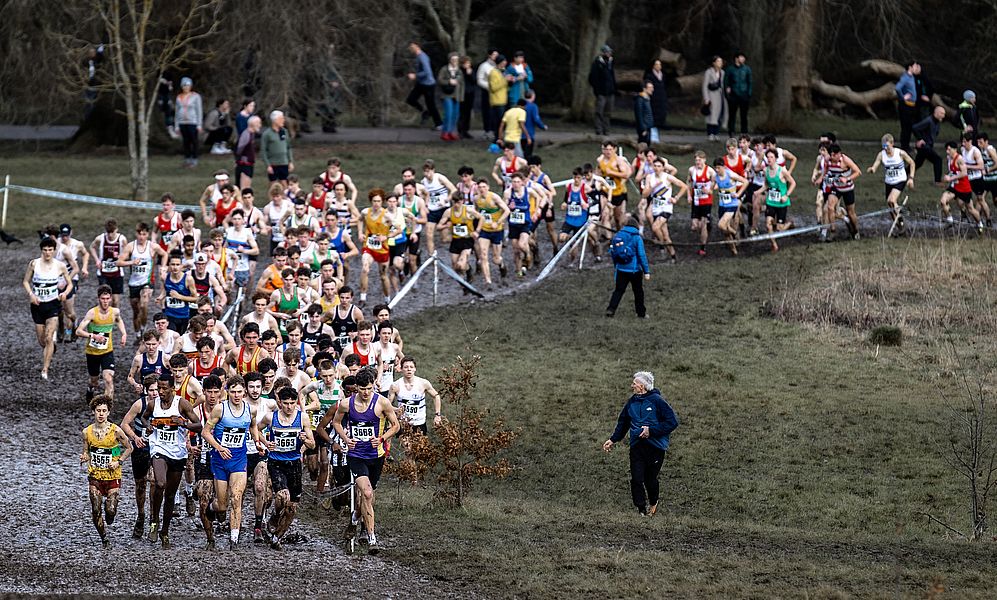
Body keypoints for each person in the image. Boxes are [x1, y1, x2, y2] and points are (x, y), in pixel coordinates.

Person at [332, 368, 400, 553]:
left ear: (373, 386)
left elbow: (396, 426)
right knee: (367, 493)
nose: (366, 392)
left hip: (376, 456)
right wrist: (346, 440)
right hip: (356, 456)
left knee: (369, 496)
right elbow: (336, 422)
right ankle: (372, 539)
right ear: (357, 388)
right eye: (362, 389)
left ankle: (354, 519)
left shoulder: (382, 403)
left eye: (369, 388)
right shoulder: (347, 404)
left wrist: (382, 438)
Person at [602, 371, 678, 517]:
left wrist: (652, 431)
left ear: (642, 386)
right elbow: (623, 422)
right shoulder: (632, 402)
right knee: (637, 478)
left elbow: (672, 422)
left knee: (650, 479)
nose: (632, 386)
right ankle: (641, 510)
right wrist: (613, 439)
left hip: (655, 447)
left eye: (634, 383)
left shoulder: (657, 401)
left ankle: (653, 502)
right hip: (637, 446)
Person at [202, 375, 265, 549]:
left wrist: (257, 442)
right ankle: (212, 508)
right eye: (233, 392)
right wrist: (219, 447)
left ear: (244, 391)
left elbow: (253, 426)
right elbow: (205, 432)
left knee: (236, 498)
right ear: (227, 392)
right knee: (222, 506)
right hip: (220, 461)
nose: (236, 395)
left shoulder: (250, 409)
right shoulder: (220, 410)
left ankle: (234, 540)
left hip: (239, 460)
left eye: (239, 391)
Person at [142, 372, 203, 548]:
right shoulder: (153, 405)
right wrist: (148, 427)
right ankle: (154, 521)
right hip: (159, 448)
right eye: (158, 388)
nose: (160, 391)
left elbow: (199, 426)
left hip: (177, 453)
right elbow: (144, 417)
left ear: (172, 388)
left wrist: (183, 423)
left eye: (164, 388)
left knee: (170, 494)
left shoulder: (182, 404)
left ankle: (165, 531)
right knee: (160, 483)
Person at [258, 386, 314, 549]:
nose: (289, 407)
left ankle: (277, 537)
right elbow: (255, 428)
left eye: (292, 403)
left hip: (295, 464)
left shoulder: (302, 418)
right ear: (279, 402)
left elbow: (312, 443)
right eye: (286, 403)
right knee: (283, 496)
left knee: (292, 507)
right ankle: (275, 516)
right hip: (276, 462)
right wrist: (265, 443)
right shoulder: (270, 417)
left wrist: (306, 440)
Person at [81, 394, 132, 548]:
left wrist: (119, 461)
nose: (101, 414)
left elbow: (130, 448)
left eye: (104, 410)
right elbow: (86, 452)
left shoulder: (116, 431)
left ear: (109, 412)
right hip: (95, 475)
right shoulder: (87, 432)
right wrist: (84, 457)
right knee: (96, 509)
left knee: (110, 511)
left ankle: (109, 516)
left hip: (112, 476)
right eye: (98, 410)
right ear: (93, 412)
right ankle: (104, 539)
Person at [24, 237, 74, 380]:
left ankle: (45, 369)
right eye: (45, 250)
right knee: (42, 341)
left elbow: (69, 284)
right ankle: (51, 347)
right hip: (37, 305)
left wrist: (64, 293)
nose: (47, 253)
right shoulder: (34, 264)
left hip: (53, 304)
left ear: (54, 250)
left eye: (50, 250)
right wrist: (31, 294)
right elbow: (25, 281)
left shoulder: (60, 266)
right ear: (41, 250)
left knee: (48, 336)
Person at [77, 284, 127, 400]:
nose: (105, 301)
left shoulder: (115, 312)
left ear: (110, 299)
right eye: (103, 299)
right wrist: (93, 336)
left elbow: (119, 320)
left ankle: (106, 407)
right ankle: (90, 388)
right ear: (98, 299)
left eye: (107, 299)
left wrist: (124, 334)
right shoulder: (92, 313)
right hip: (92, 352)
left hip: (107, 351)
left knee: (108, 378)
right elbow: (78, 331)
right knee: (94, 380)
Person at [867, 133, 916, 233]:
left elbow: (912, 163)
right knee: (889, 205)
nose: (886, 149)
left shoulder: (900, 153)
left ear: (892, 144)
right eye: (884, 146)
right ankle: (900, 227)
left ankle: (901, 218)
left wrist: (911, 178)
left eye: (887, 146)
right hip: (889, 182)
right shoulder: (881, 154)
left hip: (900, 180)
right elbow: (876, 164)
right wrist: (872, 169)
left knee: (892, 200)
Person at [605, 216, 649, 319]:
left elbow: (613, 252)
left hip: (621, 269)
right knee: (638, 292)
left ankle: (611, 309)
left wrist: (616, 266)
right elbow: (642, 255)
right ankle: (641, 313)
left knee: (618, 291)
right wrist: (646, 271)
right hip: (635, 270)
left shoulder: (618, 235)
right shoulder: (637, 237)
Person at [388, 357, 441, 436]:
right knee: (407, 447)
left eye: (411, 367)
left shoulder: (423, 383)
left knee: (421, 447)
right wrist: (394, 413)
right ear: (401, 369)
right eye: (406, 367)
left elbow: (436, 396)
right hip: (404, 424)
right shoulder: (395, 385)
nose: (409, 369)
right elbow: (387, 405)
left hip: (419, 423)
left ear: (415, 369)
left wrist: (437, 415)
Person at [56, 223, 88, 342]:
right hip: (56, 280)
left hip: (71, 278)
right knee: (59, 309)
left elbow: (85, 254)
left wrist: (84, 267)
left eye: (67, 235)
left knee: (69, 310)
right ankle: (61, 328)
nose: (65, 238)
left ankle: (71, 329)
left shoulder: (77, 244)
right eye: (63, 235)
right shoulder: (55, 244)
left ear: (71, 233)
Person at [761, 148, 797, 252]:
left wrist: (786, 195)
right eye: (767, 157)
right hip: (771, 202)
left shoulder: (782, 171)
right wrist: (758, 192)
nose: (769, 159)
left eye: (771, 157)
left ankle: (789, 223)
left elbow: (793, 183)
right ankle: (774, 245)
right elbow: (766, 184)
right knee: (768, 224)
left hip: (782, 203)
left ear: (776, 158)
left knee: (779, 229)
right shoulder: (766, 170)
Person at [90, 218, 126, 308]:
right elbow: (92, 247)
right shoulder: (100, 238)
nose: (110, 235)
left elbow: (127, 253)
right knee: (104, 299)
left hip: (117, 273)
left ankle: (114, 320)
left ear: (116, 230)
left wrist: (121, 258)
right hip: (103, 273)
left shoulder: (122, 239)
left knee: (115, 301)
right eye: (108, 232)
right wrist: (97, 260)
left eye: (112, 232)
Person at [405, 42, 442, 128]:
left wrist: (415, 75)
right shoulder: (418, 57)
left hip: (428, 84)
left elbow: (427, 72)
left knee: (431, 104)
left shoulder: (422, 57)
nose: (410, 48)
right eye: (410, 47)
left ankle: (439, 124)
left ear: (417, 46)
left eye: (412, 46)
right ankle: (425, 112)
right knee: (411, 99)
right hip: (421, 83)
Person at [912, 105, 946, 184]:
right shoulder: (928, 121)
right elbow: (915, 128)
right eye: (942, 113)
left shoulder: (937, 122)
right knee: (938, 160)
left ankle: (901, 174)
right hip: (924, 147)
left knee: (917, 164)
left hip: (928, 146)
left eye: (944, 114)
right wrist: (920, 139)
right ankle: (937, 181)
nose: (943, 116)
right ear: (936, 113)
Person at [588, 44, 616, 136]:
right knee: (599, 111)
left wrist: (613, 88)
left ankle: (606, 129)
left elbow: (612, 76)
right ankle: (598, 129)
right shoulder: (597, 63)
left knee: (608, 112)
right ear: (603, 53)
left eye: (610, 52)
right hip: (601, 92)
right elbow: (592, 78)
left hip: (610, 92)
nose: (609, 53)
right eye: (608, 52)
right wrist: (597, 90)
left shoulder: (611, 62)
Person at [175, 77, 203, 168]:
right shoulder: (179, 97)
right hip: (182, 123)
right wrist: (176, 125)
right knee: (185, 142)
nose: (186, 87)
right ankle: (187, 159)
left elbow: (199, 110)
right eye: (184, 85)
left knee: (194, 141)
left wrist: (199, 124)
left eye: (187, 85)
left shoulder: (195, 96)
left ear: (190, 86)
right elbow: (176, 112)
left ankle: (194, 160)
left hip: (193, 122)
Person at [261, 110, 294, 186]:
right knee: (273, 184)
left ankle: (285, 197)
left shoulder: (284, 131)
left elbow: (288, 147)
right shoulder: (267, 134)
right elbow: (263, 151)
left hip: (284, 162)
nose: (283, 120)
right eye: (281, 119)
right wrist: (268, 165)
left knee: (285, 183)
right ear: (275, 120)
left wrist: (290, 161)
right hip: (273, 163)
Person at [438, 52, 463, 141]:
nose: (455, 61)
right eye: (453, 59)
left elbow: (461, 84)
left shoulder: (459, 70)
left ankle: (451, 132)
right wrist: (449, 81)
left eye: (456, 60)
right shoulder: (445, 69)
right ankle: (445, 132)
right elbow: (440, 80)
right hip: (447, 94)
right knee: (448, 114)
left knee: (455, 115)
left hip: (456, 95)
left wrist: (461, 96)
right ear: (450, 60)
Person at [724, 52, 752, 135]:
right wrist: (727, 91)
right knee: (732, 114)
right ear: (736, 58)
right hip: (733, 95)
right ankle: (731, 131)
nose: (743, 59)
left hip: (744, 94)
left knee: (744, 115)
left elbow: (749, 82)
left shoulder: (747, 69)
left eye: (743, 57)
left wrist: (749, 93)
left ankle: (744, 132)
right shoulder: (730, 69)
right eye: (741, 57)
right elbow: (726, 81)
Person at [895, 61, 919, 151]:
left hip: (912, 105)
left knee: (910, 126)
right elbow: (897, 88)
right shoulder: (905, 77)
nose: (916, 68)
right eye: (915, 66)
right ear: (910, 67)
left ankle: (907, 145)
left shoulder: (912, 77)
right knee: (905, 126)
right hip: (906, 106)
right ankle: (904, 146)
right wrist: (902, 97)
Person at [702, 56, 726, 141]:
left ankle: (716, 133)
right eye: (718, 61)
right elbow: (705, 86)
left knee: (718, 115)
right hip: (711, 95)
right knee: (711, 115)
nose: (720, 63)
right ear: (714, 63)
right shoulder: (709, 72)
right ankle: (710, 133)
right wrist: (706, 98)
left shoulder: (722, 73)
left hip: (719, 96)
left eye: (721, 62)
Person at [488, 55, 511, 142]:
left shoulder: (504, 72)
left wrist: (510, 81)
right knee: (498, 121)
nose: (504, 65)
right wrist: (505, 80)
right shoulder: (493, 73)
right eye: (502, 64)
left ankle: (500, 137)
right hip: (497, 101)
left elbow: (505, 87)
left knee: (503, 121)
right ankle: (497, 138)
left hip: (504, 100)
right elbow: (494, 87)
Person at [476, 49, 499, 137]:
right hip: (487, 91)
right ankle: (487, 130)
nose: (496, 57)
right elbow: (480, 80)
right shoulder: (483, 66)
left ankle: (495, 129)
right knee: (487, 111)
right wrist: (489, 86)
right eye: (494, 55)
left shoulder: (498, 65)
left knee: (496, 111)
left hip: (498, 92)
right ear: (489, 55)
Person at [643, 59, 668, 138]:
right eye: (657, 64)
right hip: (653, 97)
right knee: (653, 112)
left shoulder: (662, 75)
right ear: (653, 66)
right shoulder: (649, 75)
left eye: (659, 65)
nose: (658, 66)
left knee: (661, 111)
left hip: (661, 96)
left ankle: (660, 124)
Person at [235, 115, 262, 190]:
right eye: (259, 123)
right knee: (244, 188)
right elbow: (239, 149)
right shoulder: (246, 134)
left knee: (248, 187)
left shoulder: (252, 134)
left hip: (249, 163)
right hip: (244, 164)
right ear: (253, 124)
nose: (260, 125)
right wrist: (239, 160)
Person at [522, 91, 548, 158]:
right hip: (529, 134)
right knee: (528, 155)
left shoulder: (521, 106)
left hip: (519, 134)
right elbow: (536, 119)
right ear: (532, 96)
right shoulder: (533, 106)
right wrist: (543, 127)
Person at [458, 56, 476, 140]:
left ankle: (466, 130)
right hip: (462, 94)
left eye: (469, 63)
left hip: (470, 93)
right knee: (462, 113)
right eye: (466, 63)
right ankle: (460, 130)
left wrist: (470, 74)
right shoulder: (460, 71)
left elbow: (474, 80)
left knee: (468, 112)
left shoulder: (471, 71)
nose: (468, 65)